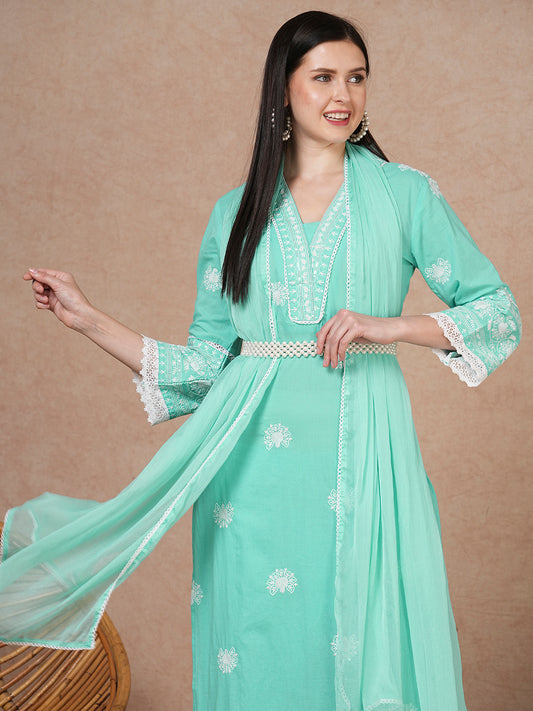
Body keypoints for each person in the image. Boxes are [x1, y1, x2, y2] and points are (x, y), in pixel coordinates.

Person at [0, 10, 520, 711]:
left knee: (363, 637)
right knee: (254, 643)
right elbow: (204, 370)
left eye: (357, 78)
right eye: (323, 77)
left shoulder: (404, 194)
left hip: (363, 450)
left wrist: (392, 326)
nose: (342, 95)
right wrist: (88, 318)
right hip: (247, 471)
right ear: (284, 89)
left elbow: (497, 311)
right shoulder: (236, 212)